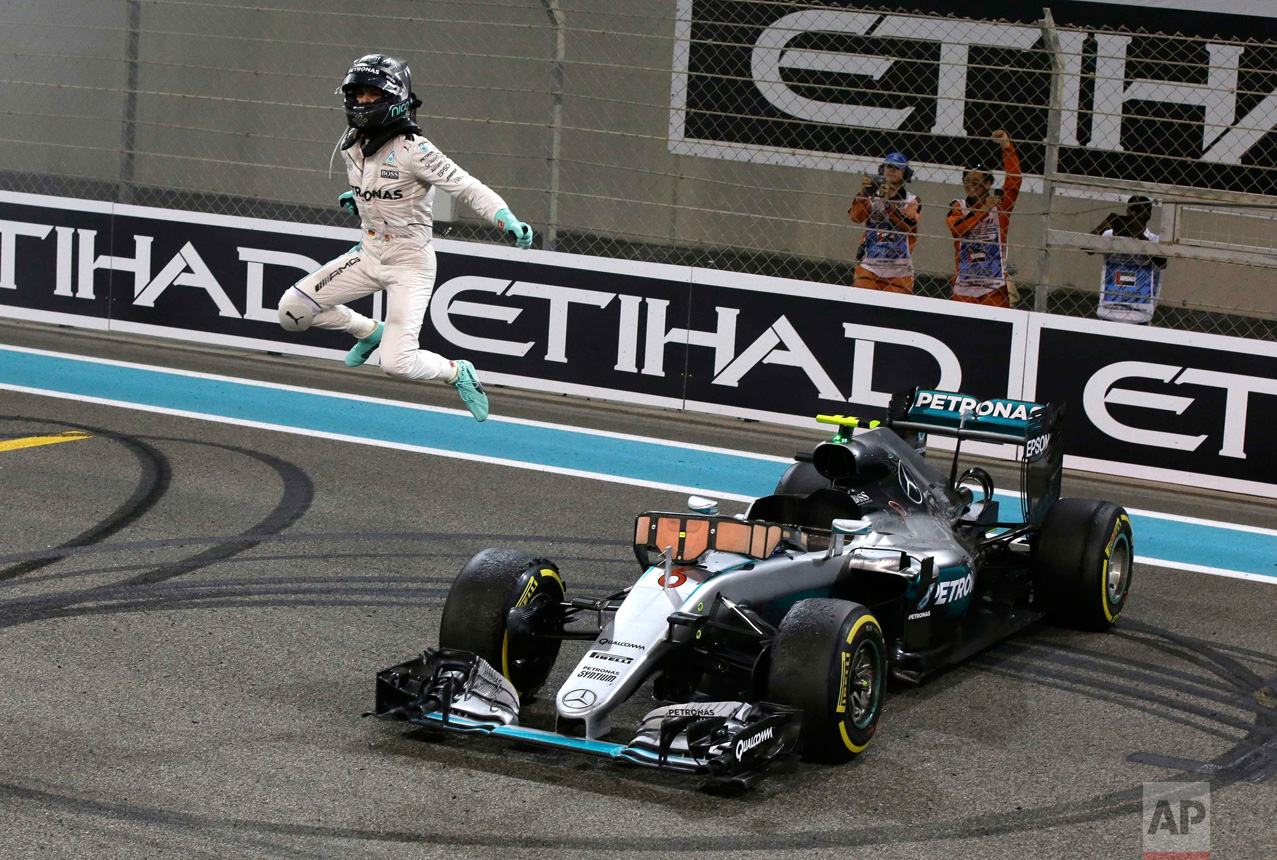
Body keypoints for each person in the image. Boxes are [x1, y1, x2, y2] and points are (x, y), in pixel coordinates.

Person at [276, 54, 535, 422]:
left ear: (393, 97)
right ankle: (369, 331)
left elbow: (468, 188)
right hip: (368, 254)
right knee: (293, 311)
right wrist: (364, 202)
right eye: (357, 94)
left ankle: (457, 372)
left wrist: (504, 217)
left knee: (397, 364)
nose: (361, 102)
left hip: (409, 262)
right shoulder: (351, 143)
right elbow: (380, 187)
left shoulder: (416, 149)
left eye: (370, 94)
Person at [946, 130, 1021, 307]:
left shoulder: (1000, 206)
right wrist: (983, 211)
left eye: (976, 182)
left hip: (994, 284)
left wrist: (1006, 147)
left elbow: (1014, 182)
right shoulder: (958, 206)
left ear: (988, 184)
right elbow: (957, 229)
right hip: (964, 284)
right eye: (967, 181)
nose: (970, 186)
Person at [847, 152, 921, 294]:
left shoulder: (912, 200)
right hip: (869, 266)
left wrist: (888, 204)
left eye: (897, 168)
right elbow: (855, 217)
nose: (892, 170)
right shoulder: (870, 196)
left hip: (900, 269)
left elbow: (908, 226)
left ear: (905, 173)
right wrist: (863, 194)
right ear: (883, 169)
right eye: (889, 166)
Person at [1090, 196, 1167, 325]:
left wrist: (1138, 235)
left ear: (1148, 215)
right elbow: (1087, 247)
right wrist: (1103, 225)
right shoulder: (1111, 235)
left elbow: (1162, 262)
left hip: (1140, 313)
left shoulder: (1154, 240)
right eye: (1131, 209)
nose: (1134, 214)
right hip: (1110, 309)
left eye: (1138, 210)